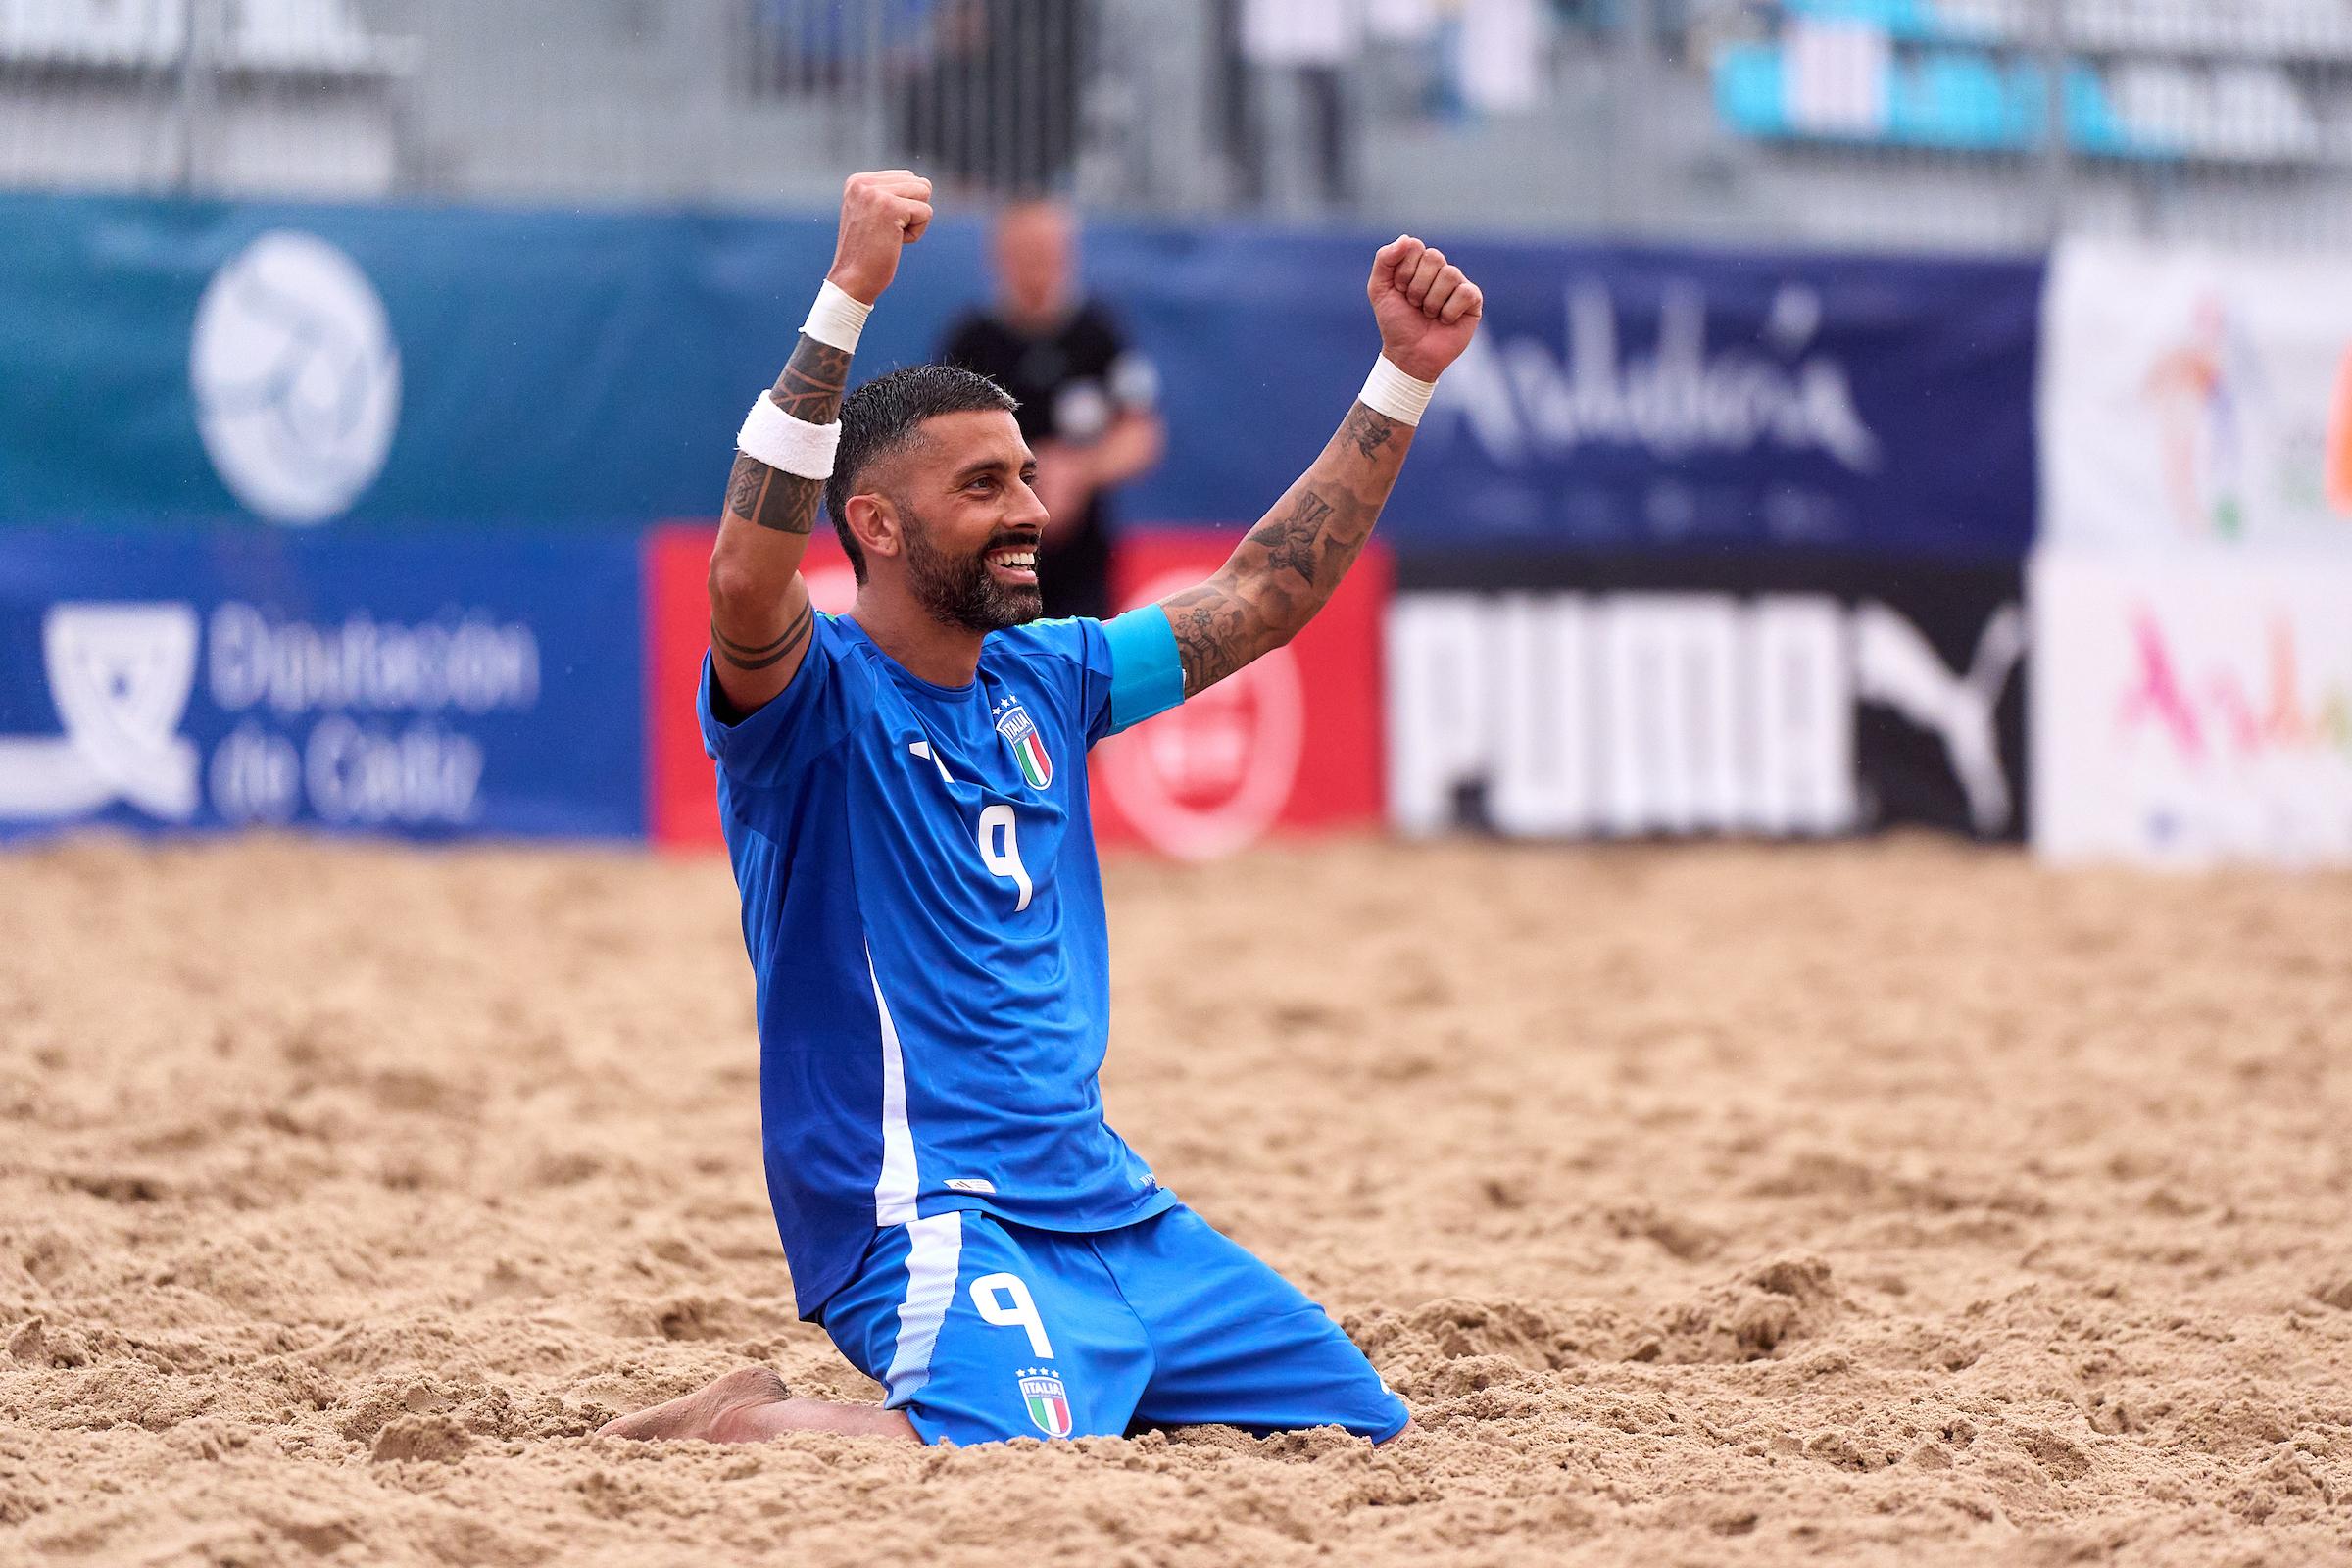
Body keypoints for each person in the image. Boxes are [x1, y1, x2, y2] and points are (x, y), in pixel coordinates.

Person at [600, 171, 1482, 1447]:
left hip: (1110, 1205)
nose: (1028, 509)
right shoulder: (815, 698)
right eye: (985, 488)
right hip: (928, 1211)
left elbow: (1262, 596)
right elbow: (746, 570)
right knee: (1014, 1456)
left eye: (1024, 476)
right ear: (878, 526)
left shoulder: (1048, 674)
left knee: (1361, 1426)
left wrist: (1401, 376)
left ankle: (946, 1384)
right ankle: (744, 1428)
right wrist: (847, 294)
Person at [939, 200, 1162, 621]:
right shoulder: (972, 342)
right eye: (1024, 253)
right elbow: (940, 446)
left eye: (1047, 252)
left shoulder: (1097, 336)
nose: (1037, 266)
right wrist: (1015, 481)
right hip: (989, 556)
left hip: (1080, 558)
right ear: (998, 258)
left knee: (1082, 670)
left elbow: (1142, 436)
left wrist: (1077, 471)